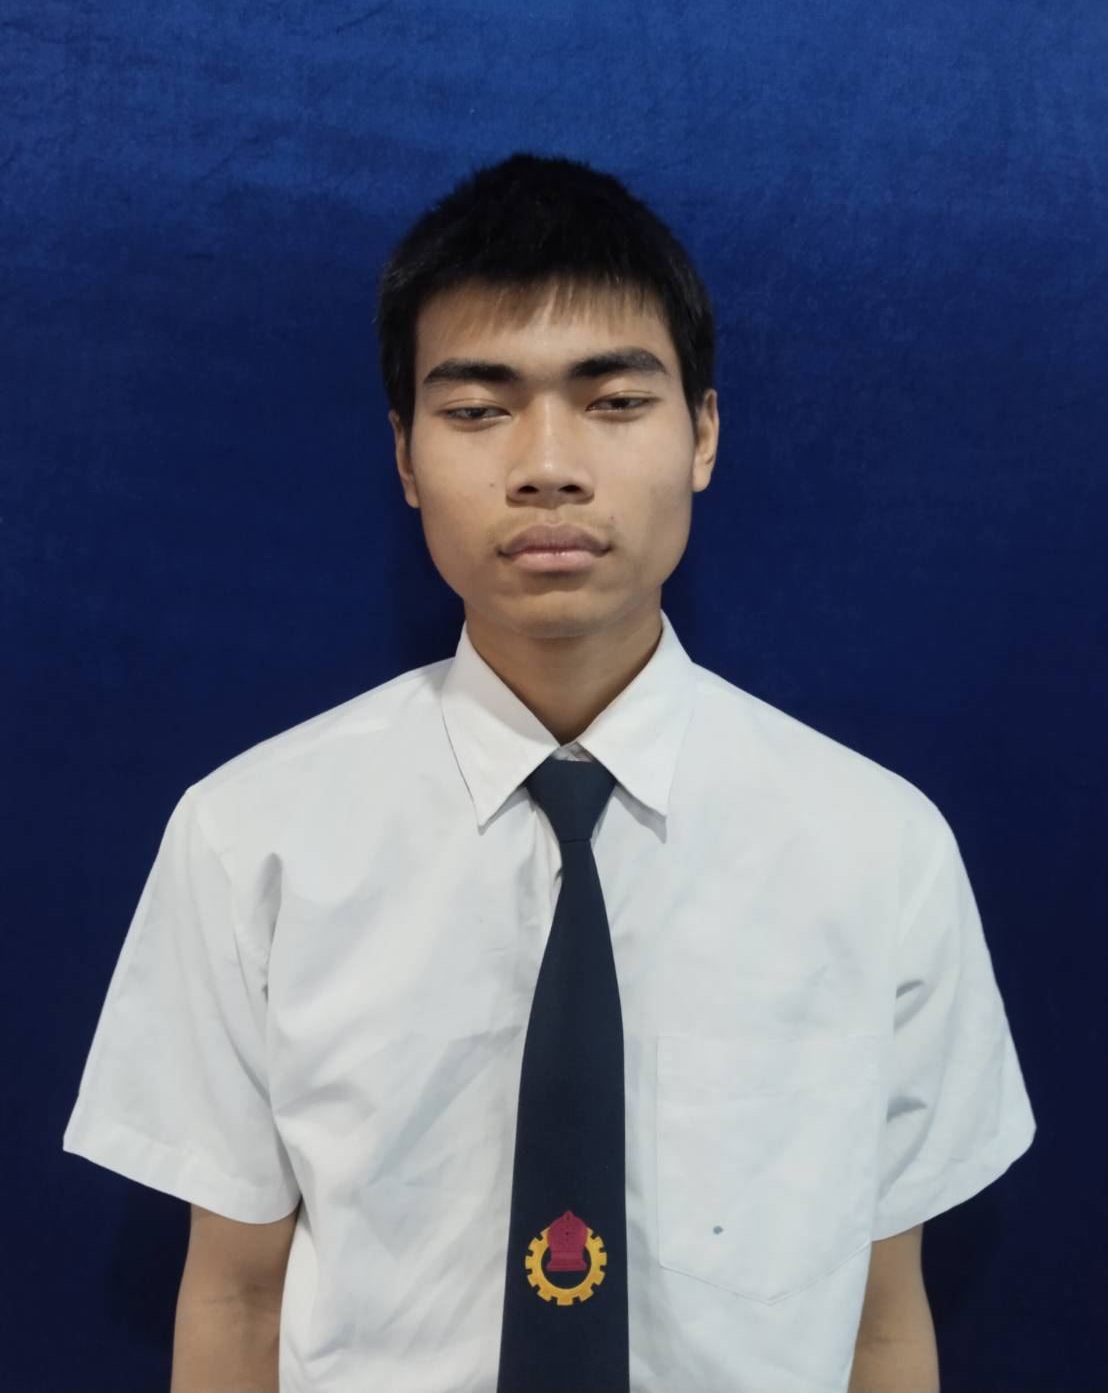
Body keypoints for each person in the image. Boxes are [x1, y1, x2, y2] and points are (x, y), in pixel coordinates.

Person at [62, 152, 1036, 1393]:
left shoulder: (878, 848)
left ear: (704, 433)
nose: (547, 464)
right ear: (405, 456)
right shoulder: (252, 836)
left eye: (614, 400)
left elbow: (881, 1320)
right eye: (477, 409)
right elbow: (234, 1293)